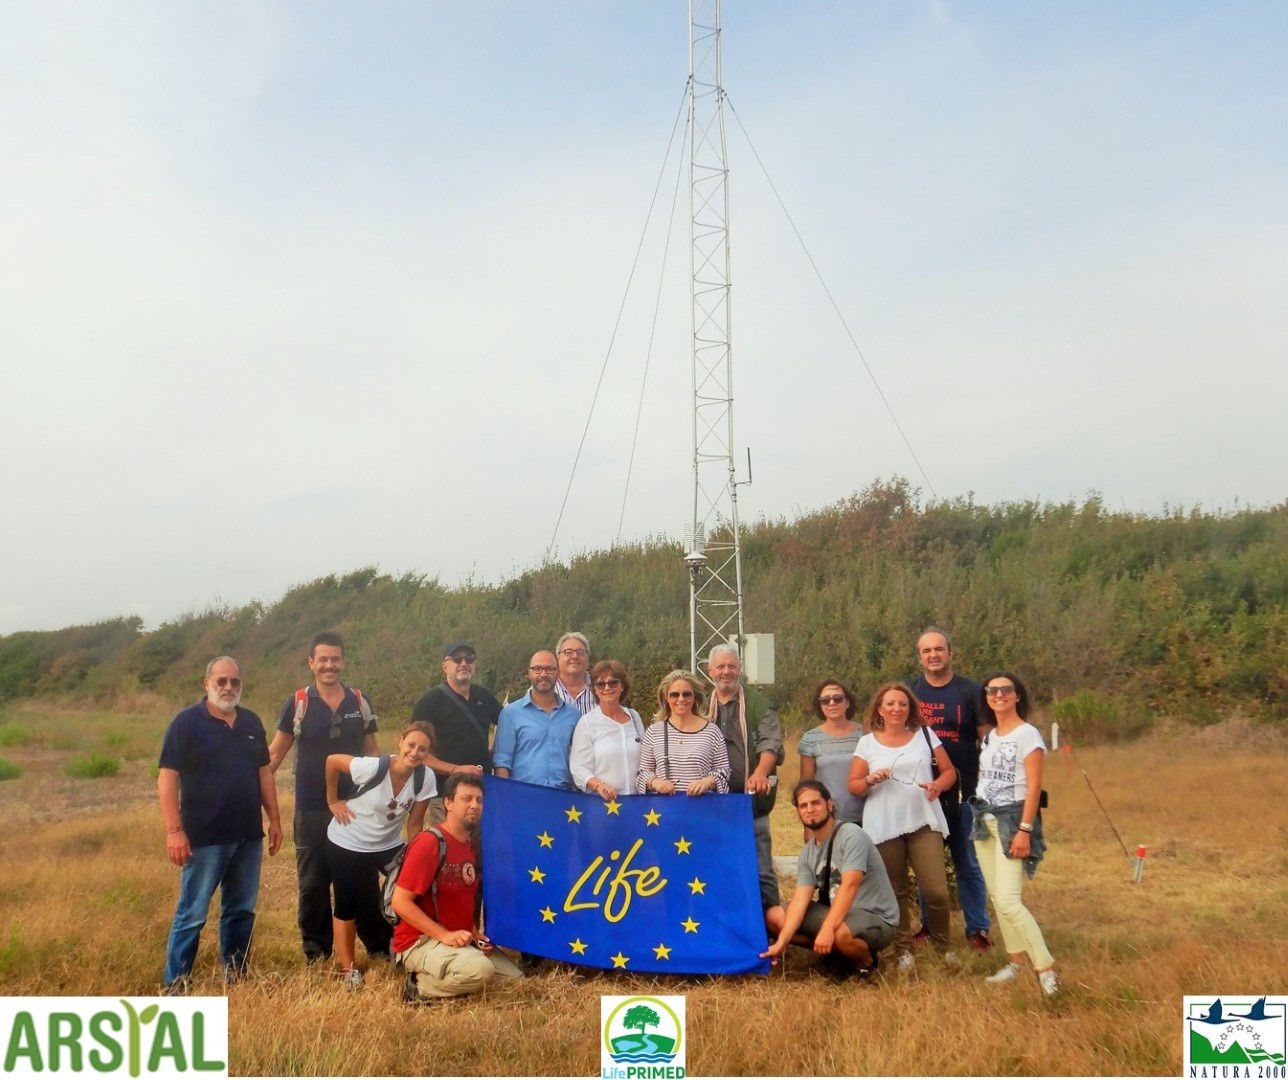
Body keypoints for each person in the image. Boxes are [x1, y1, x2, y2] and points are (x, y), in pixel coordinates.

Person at [158, 656, 282, 992]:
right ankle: (176, 982)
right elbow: (168, 778)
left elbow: (264, 774)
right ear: (207, 683)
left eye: (235, 682)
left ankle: (236, 974)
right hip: (204, 838)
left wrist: (274, 820)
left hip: (247, 836)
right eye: (221, 681)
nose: (228, 688)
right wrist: (174, 830)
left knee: (241, 910)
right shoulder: (186, 724)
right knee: (193, 913)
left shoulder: (252, 723)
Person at [267, 631, 383, 964]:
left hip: (355, 808)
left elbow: (372, 753)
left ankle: (378, 946)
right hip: (312, 807)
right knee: (314, 883)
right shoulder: (298, 703)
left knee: (363, 879)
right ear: (311, 663)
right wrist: (252, 786)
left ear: (343, 661)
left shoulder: (360, 701)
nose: (329, 665)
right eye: (323, 659)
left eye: (335, 659)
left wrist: (378, 801)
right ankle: (317, 952)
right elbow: (275, 754)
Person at [848, 682, 957, 973]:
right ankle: (903, 948)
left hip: (923, 820)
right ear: (880, 709)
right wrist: (871, 779)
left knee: (936, 892)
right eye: (890, 704)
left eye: (902, 704)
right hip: (884, 824)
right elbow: (855, 786)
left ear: (910, 709)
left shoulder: (925, 735)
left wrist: (937, 785)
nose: (897, 708)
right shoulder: (867, 743)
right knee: (896, 891)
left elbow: (949, 772)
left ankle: (943, 946)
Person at [393, 771, 523, 1000]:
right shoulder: (429, 843)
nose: (474, 805)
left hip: (458, 937)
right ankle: (418, 986)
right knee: (481, 971)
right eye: (466, 799)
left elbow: (458, 902)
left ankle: (458, 970)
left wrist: (474, 934)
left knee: (514, 979)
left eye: (479, 800)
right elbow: (400, 903)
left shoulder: (469, 846)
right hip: (419, 940)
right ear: (448, 803)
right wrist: (443, 935)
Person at [324, 723, 436, 988]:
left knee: (416, 892)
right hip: (346, 841)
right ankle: (348, 970)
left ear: (428, 753)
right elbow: (331, 761)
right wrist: (332, 800)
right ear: (400, 742)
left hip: (387, 844)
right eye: (411, 745)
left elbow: (415, 823)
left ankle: (411, 950)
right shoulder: (373, 767)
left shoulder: (425, 777)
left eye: (423, 749)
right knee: (345, 903)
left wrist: (415, 856)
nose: (415, 752)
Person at [973, 671, 1058, 996]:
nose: (998, 695)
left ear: (1017, 695)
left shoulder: (1028, 735)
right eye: (992, 690)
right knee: (997, 896)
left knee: (1009, 900)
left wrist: (1024, 830)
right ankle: (1015, 962)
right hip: (984, 820)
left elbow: (1034, 787)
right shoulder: (991, 735)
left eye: (1005, 690)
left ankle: (1045, 969)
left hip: (1013, 822)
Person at [761, 780, 899, 977]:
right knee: (775, 916)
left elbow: (850, 885)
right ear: (798, 812)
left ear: (830, 804)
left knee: (840, 932)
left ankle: (869, 964)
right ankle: (835, 953)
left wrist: (827, 929)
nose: (810, 810)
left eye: (815, 803)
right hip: (838, 914)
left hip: (874, 914)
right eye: (803, 806)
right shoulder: (807, 853)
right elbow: (801, 900)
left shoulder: (851, 835)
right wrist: (781, 942)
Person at [910, 627, 992, 952]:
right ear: (920, 657)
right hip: (923, 793)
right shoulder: (911, 691)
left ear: (950, 653)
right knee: (927, 863)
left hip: (966, 793)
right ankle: (928, 926)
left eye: (939, 649)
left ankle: (978, 929)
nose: (933, 655)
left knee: (967, 862)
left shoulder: (971, 691)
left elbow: (986, 740)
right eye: (927, 650)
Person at [707, 643, 784, 911]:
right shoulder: (701, 704)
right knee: (717, 866)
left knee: (761, 868)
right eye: (721, 667)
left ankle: (770, 931)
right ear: (710, 671)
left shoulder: (759, 703)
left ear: (740, 668)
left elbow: (770, 743)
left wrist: (761, 773)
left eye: (731, 666)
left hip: (751, 803)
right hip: (713, 804)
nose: (726, 671)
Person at [410, 640, 502, 828]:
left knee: (479, 851)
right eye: (457, 659)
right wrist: (455, 769)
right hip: (446, 795)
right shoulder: (430, 702)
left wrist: (495, 755)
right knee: (449, 850)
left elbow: (510, 726)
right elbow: (417, 754)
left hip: (480, 794)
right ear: (445, 665)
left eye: (469, 659)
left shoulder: (484, 696)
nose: (464, 664)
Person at [493, 649, 581, 788]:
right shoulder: (510, 714)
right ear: (529, 673)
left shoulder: (573, 715)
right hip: (524, 796)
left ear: (558, 673)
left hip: (562, 798)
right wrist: (505, 796)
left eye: (549, 669)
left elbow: (581, 760)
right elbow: (502, 763)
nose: (543, 674)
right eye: (537, 669)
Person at [636, 670, 729, 796]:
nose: (681, 699)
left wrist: (707, 782)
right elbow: (642, 774)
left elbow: (724, 772)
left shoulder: (712, 732)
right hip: (665, 810)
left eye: (686, 694)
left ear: (694, 697)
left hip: (702, 809)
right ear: (666, 698)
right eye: (675, 695)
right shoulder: (654, 732)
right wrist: (655, 782)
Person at [570, 659, 645, 800]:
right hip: (603, 804)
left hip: (637, 804)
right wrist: (599, 785)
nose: (607, 687)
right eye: (600, 684)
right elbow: (578, 767)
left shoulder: (634, 717)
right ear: (594, 689)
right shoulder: (587, 723)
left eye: (613, 682)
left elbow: (646, 760)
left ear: (622, 686)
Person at [798, 679, 865, 825]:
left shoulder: (866, 734)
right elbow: (806, 786)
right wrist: (810, 826)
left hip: (866, 817)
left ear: (847, 702)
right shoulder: (810, 739)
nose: (832, 703)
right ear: (820, 705)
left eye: (838, 698)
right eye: (825, 700)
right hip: (828, 819)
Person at [553, 631, 595, 715]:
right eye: (568, 652)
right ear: (558, 657)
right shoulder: (543, 690)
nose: (575, 656)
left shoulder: (601, 688)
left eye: (580, 652)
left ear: (587, 658)